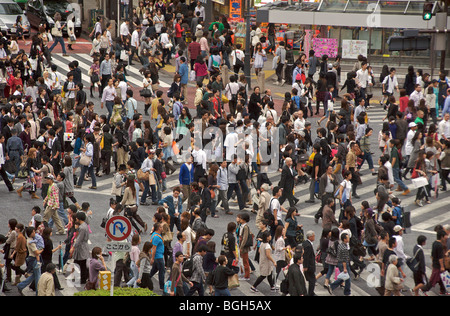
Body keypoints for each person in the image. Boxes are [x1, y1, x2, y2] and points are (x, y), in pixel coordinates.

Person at [149, 222, 165, 290]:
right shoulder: (156, 237)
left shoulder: (155, 234)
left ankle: (144, 280)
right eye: (161, 227)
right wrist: (152, 258)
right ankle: (162, 287)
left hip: (157, 256)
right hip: (158, 257)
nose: (162, 228)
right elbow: (154, 248)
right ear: (159, 228)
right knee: (162, 272)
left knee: (153, 271)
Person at [302, 230, 316, 296]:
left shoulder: (305, 243)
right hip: (309, 266)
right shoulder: (308, 245)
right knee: (312, 280)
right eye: (313, 236)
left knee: (310, 279)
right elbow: (306, 257)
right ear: (310, 237)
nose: (314, 237)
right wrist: (305, 266)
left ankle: (310, 292)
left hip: (308, 265)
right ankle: (310, 293)